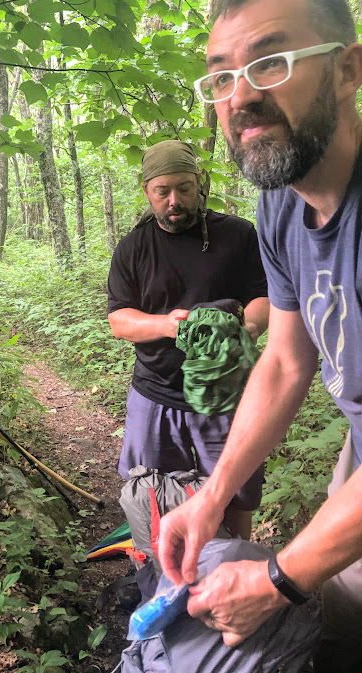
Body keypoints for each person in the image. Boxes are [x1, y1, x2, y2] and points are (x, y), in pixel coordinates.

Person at [157, 0, 362, 673]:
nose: (240, 96)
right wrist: (211, 498)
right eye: (220, 77)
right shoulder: (280, 202)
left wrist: (276, 579)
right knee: (344, 613)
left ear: (346, 68)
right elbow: (283, 359)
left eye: (269, 61)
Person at [107, 139, 270, 540]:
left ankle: (233, 567)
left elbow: (265, 296)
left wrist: (244, 330)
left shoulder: (237, 235)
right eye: (163, 191)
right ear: (147, 190)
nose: (174, 200)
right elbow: (120, 320)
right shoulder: (133, 248)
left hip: (227, 390)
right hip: (155, 390)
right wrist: (169, 326)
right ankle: (157, 577)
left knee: (236, 492)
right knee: (149, 491)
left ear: (200, 182)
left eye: (184, 188)